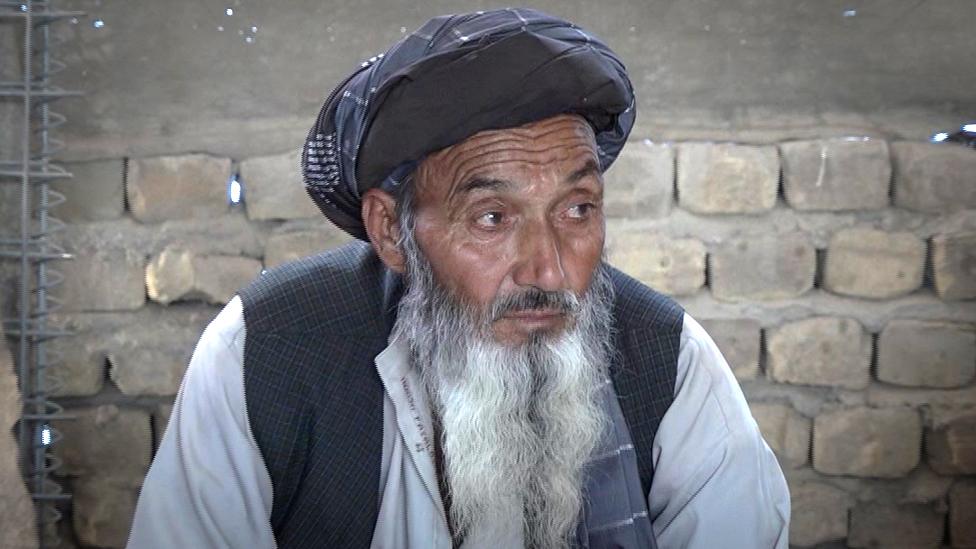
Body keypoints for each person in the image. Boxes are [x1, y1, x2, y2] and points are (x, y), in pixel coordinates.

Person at [127, 8, 789, 549]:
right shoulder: (266, 351)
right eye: (493, 217)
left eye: (578, 209)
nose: (550, 269)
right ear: (391, 230)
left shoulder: (670, 361)